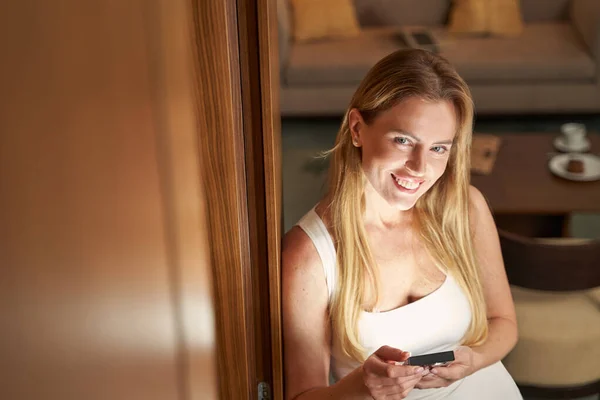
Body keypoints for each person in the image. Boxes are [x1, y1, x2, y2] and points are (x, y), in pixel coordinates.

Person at [282, 49, 523, 400]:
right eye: (403, 140)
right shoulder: (308, 254)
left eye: (439, 149)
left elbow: (504, 323)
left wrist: (473, 359)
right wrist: (360, 387)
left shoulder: (464, 208)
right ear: (357, 129)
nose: (419, 168)